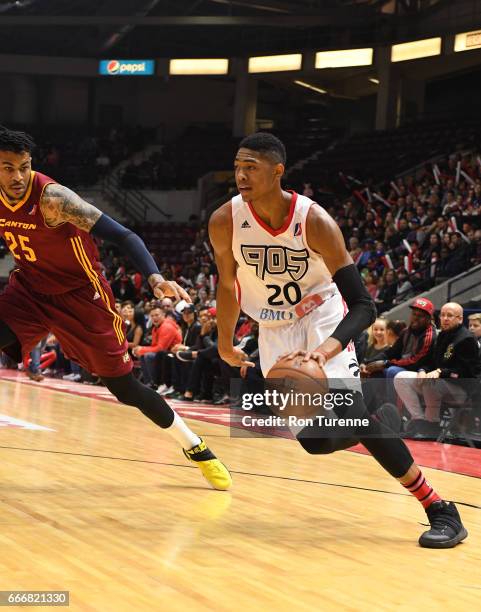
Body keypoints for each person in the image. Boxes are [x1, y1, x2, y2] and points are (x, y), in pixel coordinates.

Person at [209, 132, 466, 547]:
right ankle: (374, 419)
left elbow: (365, 306)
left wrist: (325, 348)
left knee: (349, 409)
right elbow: (226, 286)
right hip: (274, 329)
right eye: (237, 166)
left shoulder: (314, 222)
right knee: (315, 441)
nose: (240, 175)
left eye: (250, 167)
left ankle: (438, 508)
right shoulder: (224, 220)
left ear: (277, 171)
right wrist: (225, 342)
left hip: (321, 320)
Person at [0, 126, 230, 490]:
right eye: (7, 168)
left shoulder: (53, 198)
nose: (17, 176)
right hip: (30, 289)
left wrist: (154, 278)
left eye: (23, 167)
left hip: (81, 296)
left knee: (124, 388)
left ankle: (195, 446)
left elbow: (125, 236)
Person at [394, 302, 481, 437]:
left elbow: (466, 373)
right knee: (401, 377)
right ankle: (419, 419)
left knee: (431, 381)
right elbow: (431, 362)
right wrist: (423, 370)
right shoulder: (441, 335)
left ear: (460, 319)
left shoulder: (467, 339)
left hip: (461, 390)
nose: (445, 318)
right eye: (443, 315)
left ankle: (432, 425)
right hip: (438, 385)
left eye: (450, 316)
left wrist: (441, 372)